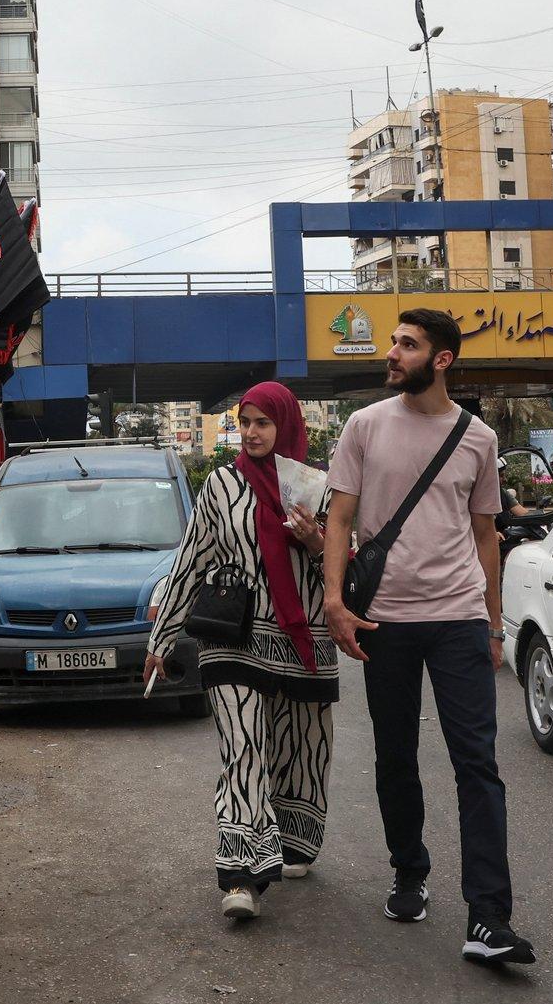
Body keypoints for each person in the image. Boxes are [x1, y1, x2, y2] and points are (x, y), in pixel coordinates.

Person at [321, 308, 537, 968]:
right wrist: (335, 601)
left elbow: (485, 536)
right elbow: (339, 518)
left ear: (441, 358)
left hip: (458, 618)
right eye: (393, 340)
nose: (392, 352)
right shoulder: (364, 425)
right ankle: (409, 872)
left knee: (478, 763)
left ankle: (489, 918)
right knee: (396, 756)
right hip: (384, 618)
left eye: (407, 344)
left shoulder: (477, 438)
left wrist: (494, 621)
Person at [144, 381, 335, 922]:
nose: (250, 433)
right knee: (242, 748)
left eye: (262, 423)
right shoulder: (221, 488)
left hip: (305, 642)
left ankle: (294, 841)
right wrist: (161, 639)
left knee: (302, 746)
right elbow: (191, 560)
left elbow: (349, 564)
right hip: (233, 640)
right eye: (244, 422)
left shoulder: (316, 488)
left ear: (286, 426)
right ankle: (241, 876)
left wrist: (316, 542)